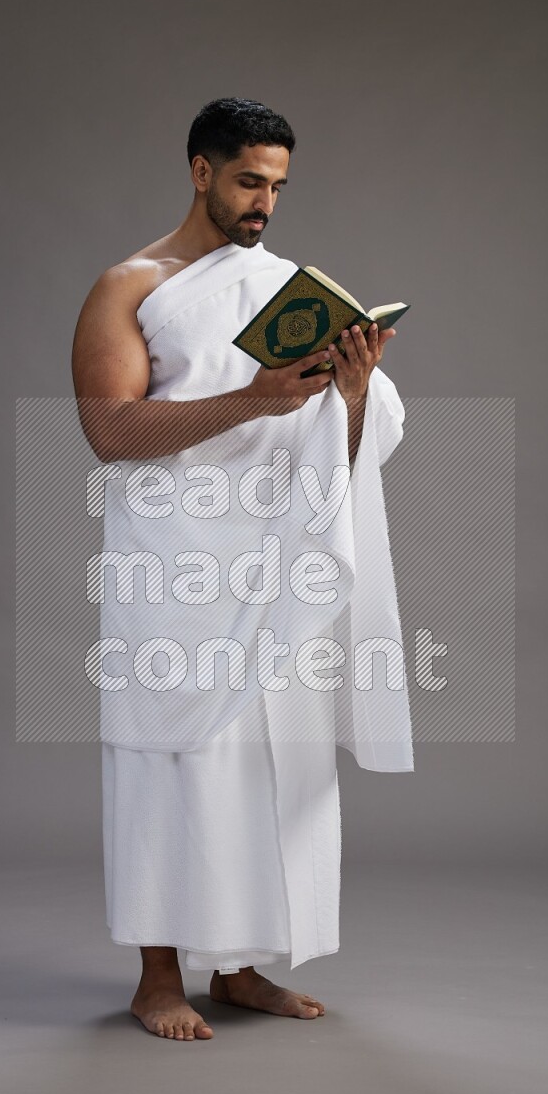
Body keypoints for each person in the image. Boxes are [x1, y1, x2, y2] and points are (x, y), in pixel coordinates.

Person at [71, 97, 412, 1041]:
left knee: (265, 756)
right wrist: (253, 400)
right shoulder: (129, 286)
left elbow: (337, 452)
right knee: (170, 753)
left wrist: (346, 393)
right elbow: (110, 431)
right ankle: (156, 978)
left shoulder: (286, 288)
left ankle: (239, 967)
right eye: (250, 182)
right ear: (200, 171)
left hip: (271, 558)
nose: (265, 204)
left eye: (278, 187)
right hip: (172, 562)